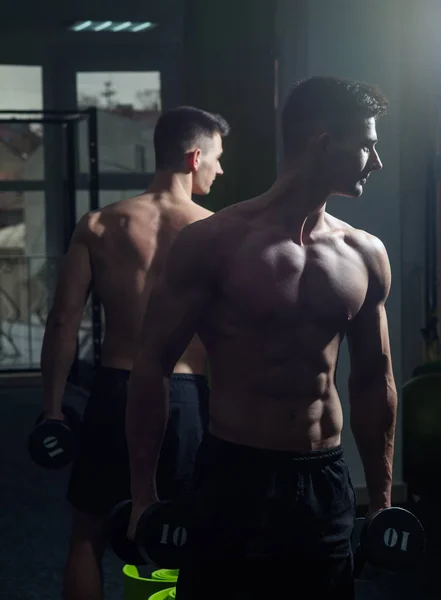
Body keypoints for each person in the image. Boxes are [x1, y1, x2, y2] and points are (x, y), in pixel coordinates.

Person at [126, 76, 398, 600]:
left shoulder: (365, 253)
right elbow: (152, 363)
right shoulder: (212, 243)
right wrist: (144, 495)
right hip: (235, 475)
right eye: (366, 144)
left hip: (324, 479)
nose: (375, 161)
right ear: (325, 142)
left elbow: (373, 379)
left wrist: (382, 498)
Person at [39, 105, 229, 600]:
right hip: (186, 396)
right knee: (189, 537)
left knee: (87, 536)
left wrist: (53, 409)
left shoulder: (101, 224)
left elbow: (63, 320)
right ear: (194, 157)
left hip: (115, 389)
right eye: (216, 158)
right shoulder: (218, 231)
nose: (221, 169)